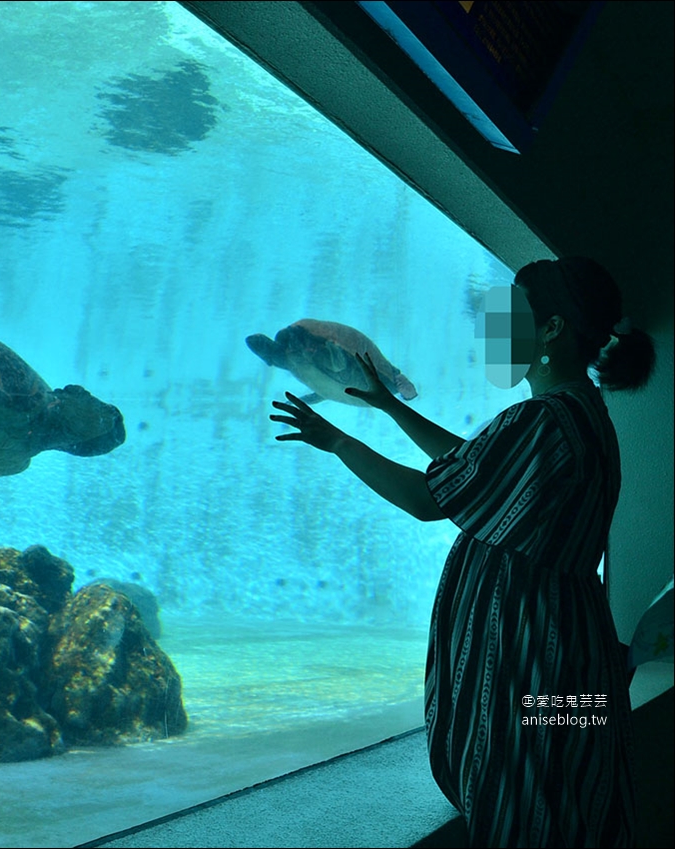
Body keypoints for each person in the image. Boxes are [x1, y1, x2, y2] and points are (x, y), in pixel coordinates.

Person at [269, 257, 656, 848]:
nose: (495, 327)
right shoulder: (580, 413)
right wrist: (390, 406)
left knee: (531, 809)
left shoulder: (543, 418)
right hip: (572, 652)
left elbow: (431, 498)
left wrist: (338, 441)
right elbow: (477, 467)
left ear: (550, 330)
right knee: (576, 793)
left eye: (512, 313)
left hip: (534, 660)